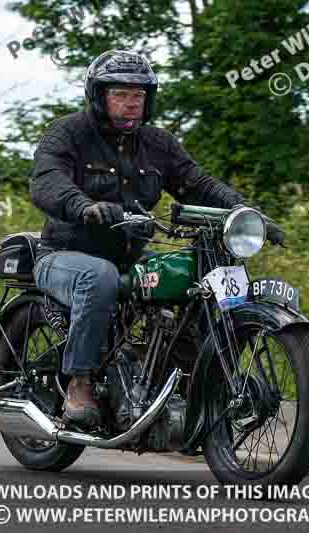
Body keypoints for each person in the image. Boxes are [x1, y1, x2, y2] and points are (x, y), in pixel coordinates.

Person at [29, 49, 285, 427]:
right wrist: (83, 206)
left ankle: (181, 382)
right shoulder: (69, 133)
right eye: (120, 95)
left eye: (138, 96)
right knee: (99, 277)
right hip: (65, 254)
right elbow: (46, 180)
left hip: (129, 255)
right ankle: (79, 382)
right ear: (98, 96)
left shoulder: (157, 144)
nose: (131, 104)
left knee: (192, 274)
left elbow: (198, 185)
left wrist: (248, 214)